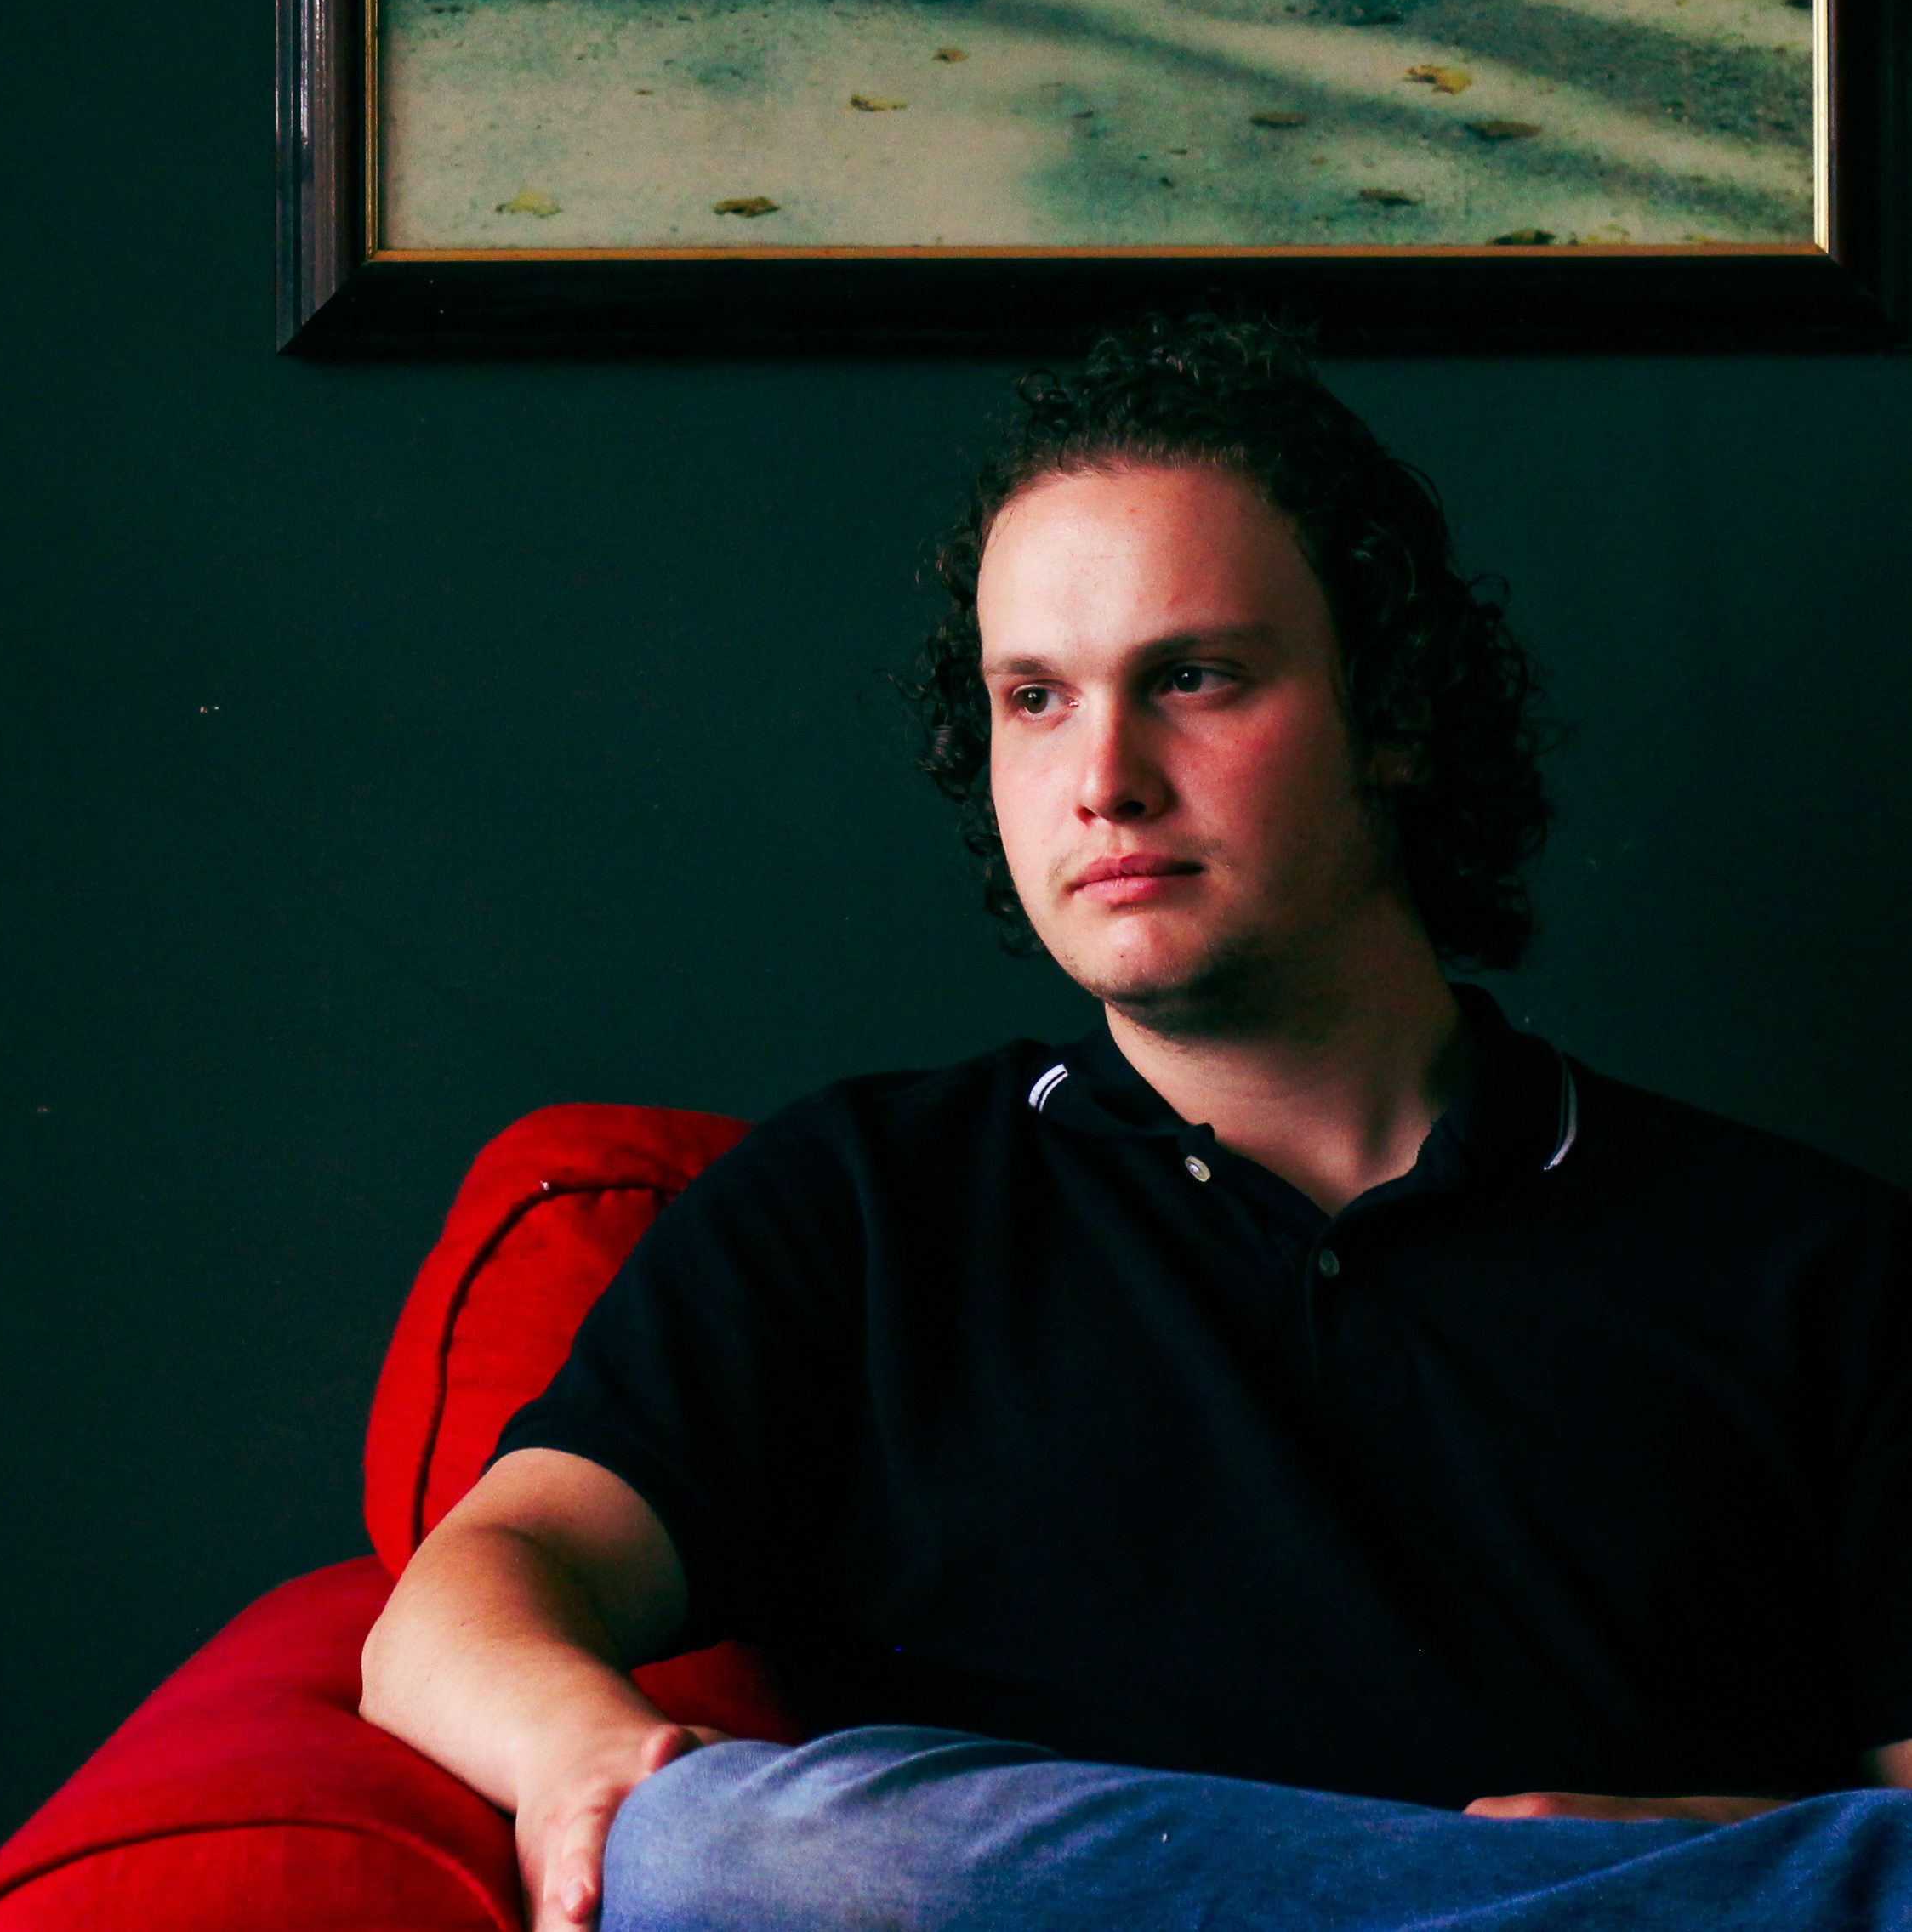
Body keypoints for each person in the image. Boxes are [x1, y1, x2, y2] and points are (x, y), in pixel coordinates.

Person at [358, 312, 1912, 1931]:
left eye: (1191, 678)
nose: (1103, 775)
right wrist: (586, 1754)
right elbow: (462, 1604)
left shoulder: (1809, 1262)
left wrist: (1700, 1843)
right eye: (1035, 698)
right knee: (733, 1844)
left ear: (1391, 710)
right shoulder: (860, 1203)